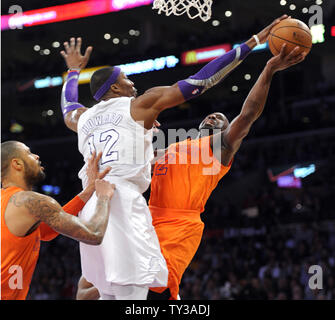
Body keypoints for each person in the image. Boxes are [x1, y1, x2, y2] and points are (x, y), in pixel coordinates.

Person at [60, 15, 289, 300]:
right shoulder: (162, 141)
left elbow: (68, 106)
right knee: (112, 290)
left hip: (129, 210)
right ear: (115, 88)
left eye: (221, 118)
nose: (133, 84)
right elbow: (199, 82)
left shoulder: (217, 147)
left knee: (107, 287)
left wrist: (73, 72)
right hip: (126, 203)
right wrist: (254, 41)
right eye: (127, 79)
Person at [1, 141, 115, 300]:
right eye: (29, 153)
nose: (36, 156)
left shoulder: (9, 203)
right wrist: (103, 197)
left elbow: (46, 232)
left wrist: (88, 191)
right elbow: (94, 233)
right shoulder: (30, 201)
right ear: (17, 163)